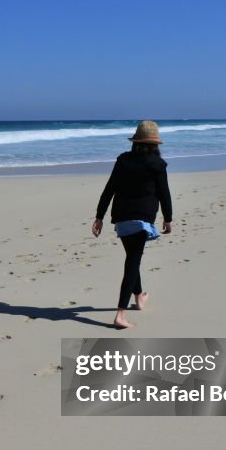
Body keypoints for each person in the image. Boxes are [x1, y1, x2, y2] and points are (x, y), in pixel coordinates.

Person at [92, 120, 173, 329]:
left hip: (120, 216)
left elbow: (109, 188)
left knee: (132, 257)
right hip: (142, 219)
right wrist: (168, 218)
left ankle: (138, 297)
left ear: (135, 141)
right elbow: (164, 193)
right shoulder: (157, 164)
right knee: (132, 262)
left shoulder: (123, 160)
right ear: (155, 144)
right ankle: (120, 314)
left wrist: (99, 216)